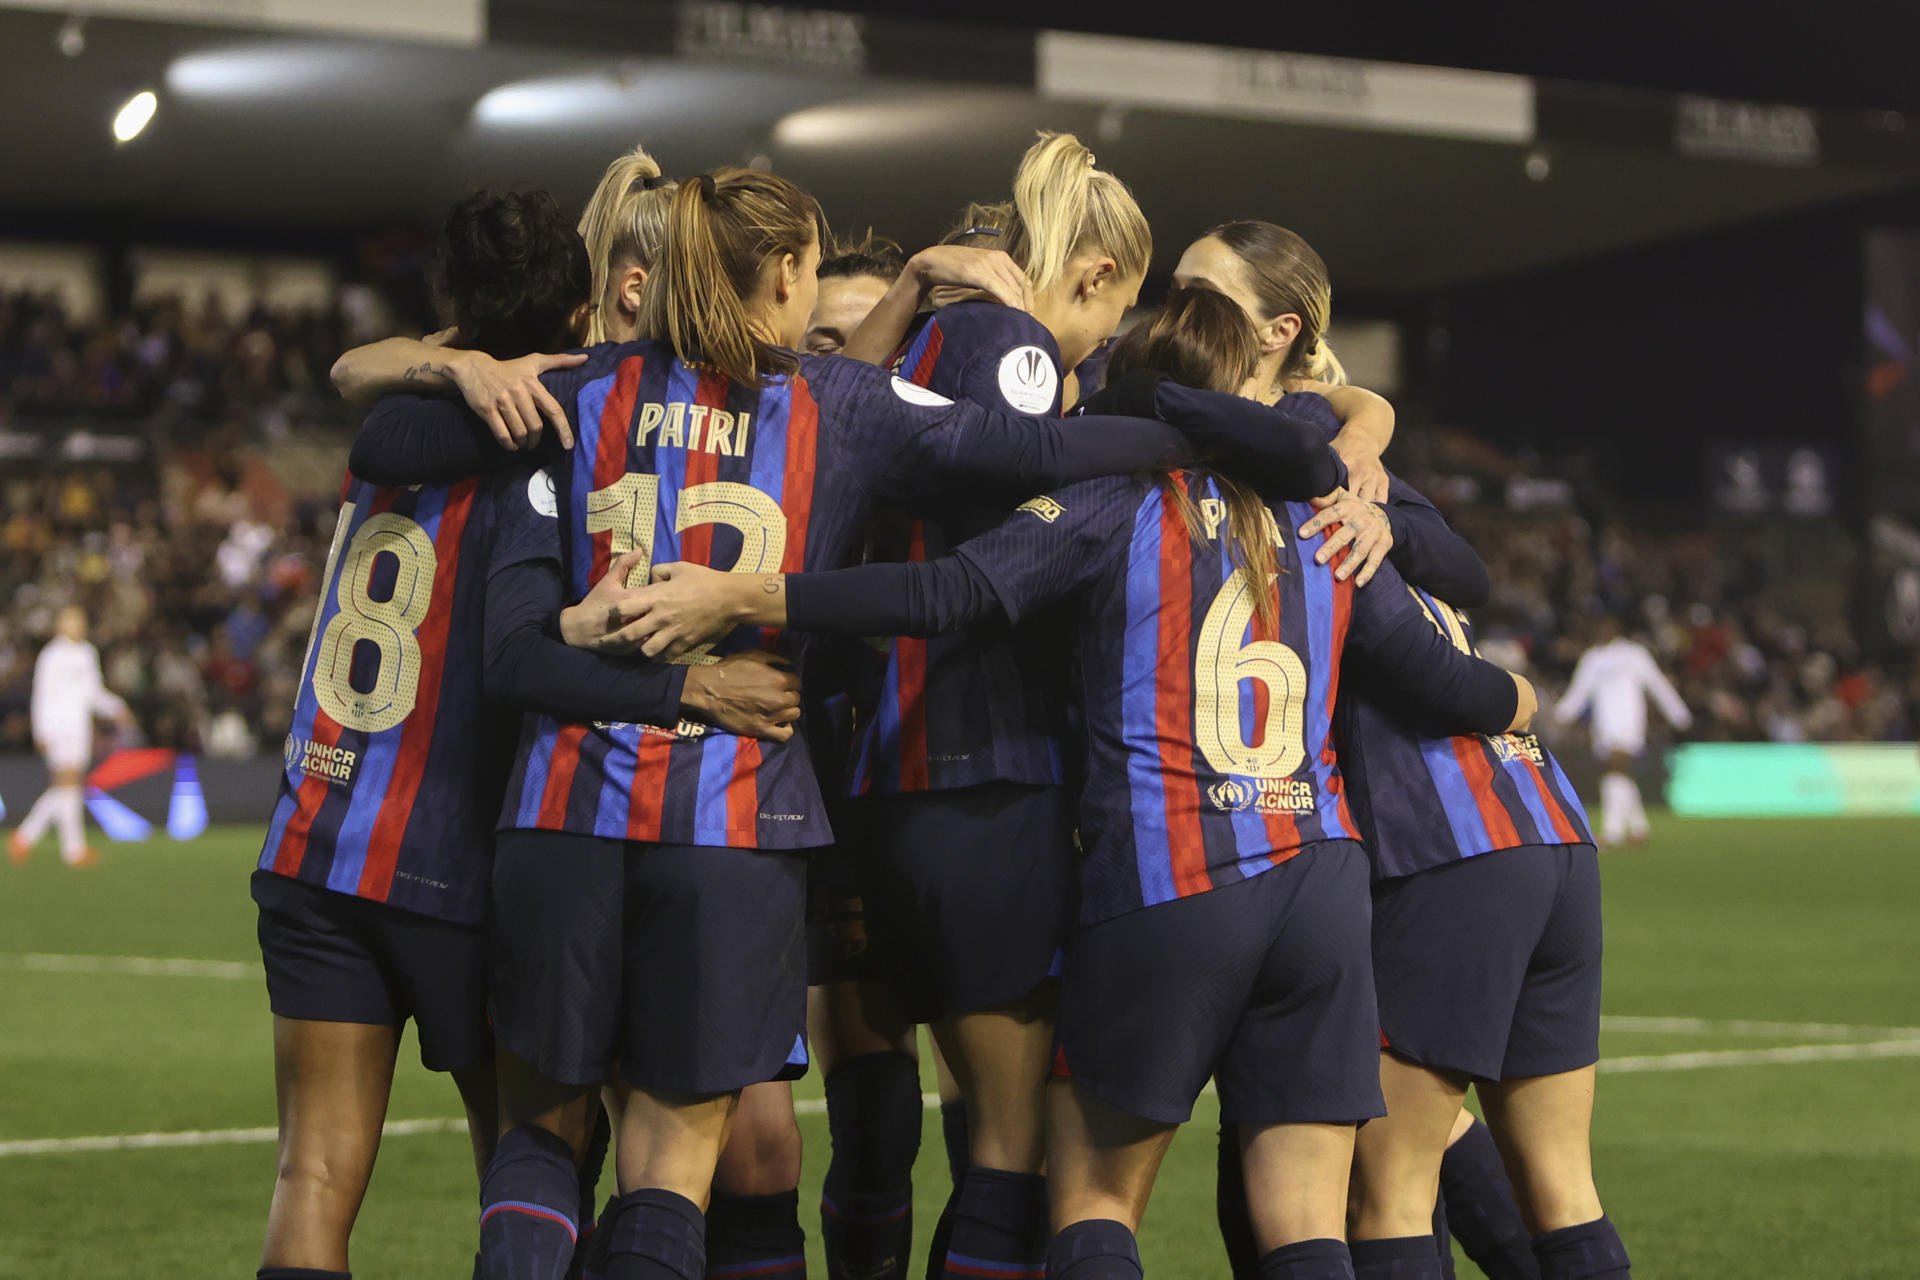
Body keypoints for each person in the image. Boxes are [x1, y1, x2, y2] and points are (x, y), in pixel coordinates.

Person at [344, 164, 1216, 1280]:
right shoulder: (836, 404)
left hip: (561, 812)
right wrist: (1201, 433)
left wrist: (447, 364)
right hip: (733, 823)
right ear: (794, 272)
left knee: (538, 1143)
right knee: (670, 1165)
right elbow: (1037, 451)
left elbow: (410, 481)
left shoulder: (577, 387)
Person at [596, 288, 1540, 1280]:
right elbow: (1435, 663)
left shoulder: (1115, 500)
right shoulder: (1321, 516)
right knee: (1304, 1214)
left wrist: (751, 591)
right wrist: (1517, 694)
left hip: (1175, 868)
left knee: (1089, 1196)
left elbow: (945, 592)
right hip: (1321, 880)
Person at [254, 187, 801, 1280]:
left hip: (316, 837)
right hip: (452, 852)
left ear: (454, 311)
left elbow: (361, 372)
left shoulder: (399, 422)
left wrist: (445, 358)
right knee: (533, 1152)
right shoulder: (558, 422)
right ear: (587, 303)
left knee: (312, 1178)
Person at [9, 605, 132, 868]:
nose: (77, 625)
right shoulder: (51, 655)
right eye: (71, 620)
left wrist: (116, 707)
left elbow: (93, 693)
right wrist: (41, 730)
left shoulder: (87, 653)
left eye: (79, 620)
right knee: (67, 783)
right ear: (60, 624)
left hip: (79, 727)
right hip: (57, 727)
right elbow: (40, 695)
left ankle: (27, 838)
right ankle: (70, 849)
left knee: (68, 786)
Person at [1553, 614, 1692, 845]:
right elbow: (1579, 690)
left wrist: (1678, 713)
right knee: (1619, 772)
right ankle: (1639, 827)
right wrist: (1561, 714)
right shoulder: (1592, 658)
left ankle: (1613, 832)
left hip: (1629, 720)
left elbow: (1656, 683)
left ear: (1617, 629)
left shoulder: (1634, 654)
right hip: (1603, 723)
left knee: (1616, 768)